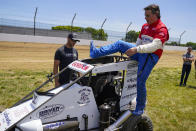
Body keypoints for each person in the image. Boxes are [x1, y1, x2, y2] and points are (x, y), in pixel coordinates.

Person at [90, 4, 169, 115]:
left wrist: (136, 50)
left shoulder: (162, 28)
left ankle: (140, 107)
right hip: (140, 52)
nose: (145, 17)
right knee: (120, 43)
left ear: (156, 15)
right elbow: (138, 42)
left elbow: (154, 46)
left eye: (147, 15)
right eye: (145, 15)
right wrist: (132, 51)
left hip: (150, 55)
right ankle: (96, 53)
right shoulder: (145, 26)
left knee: (140, 81)